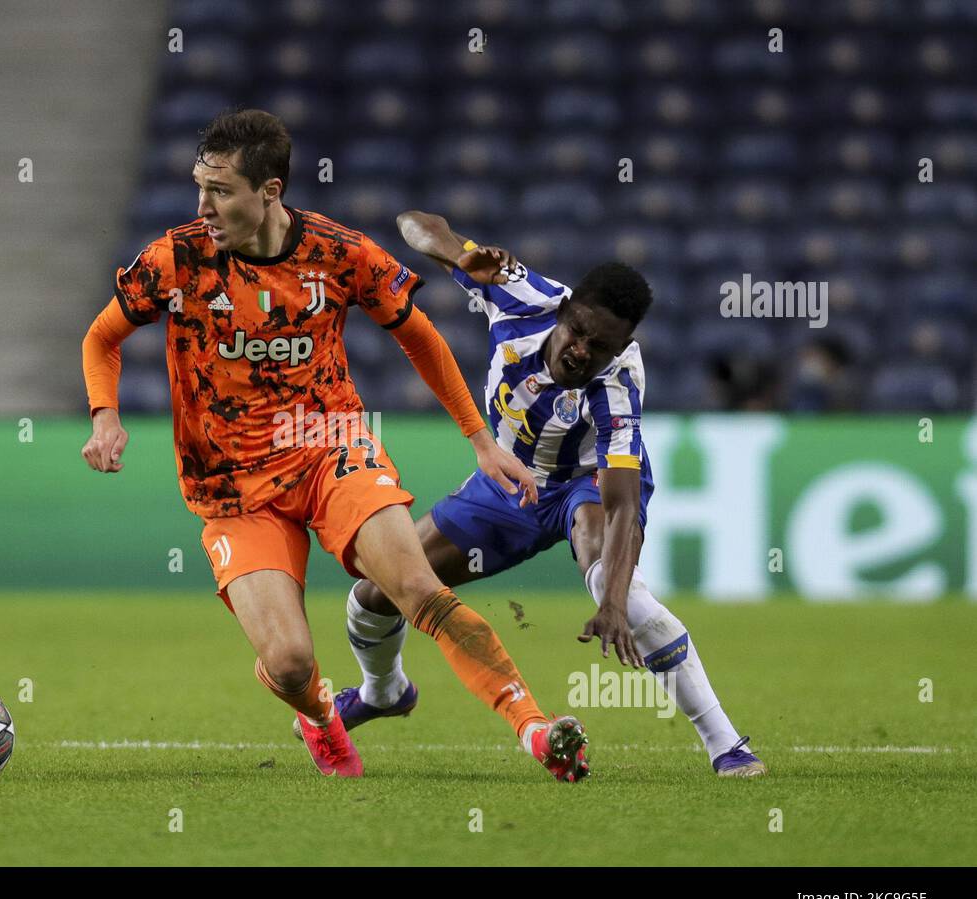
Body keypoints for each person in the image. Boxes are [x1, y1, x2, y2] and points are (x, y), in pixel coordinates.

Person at [81, 111, 589, 781]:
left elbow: (420, 336)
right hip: (232, 488)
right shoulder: (174, 261)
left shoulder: (339, 253)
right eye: (199, 187)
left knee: (414, 584)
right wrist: (104, 417)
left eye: (221, 191)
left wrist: (480, 440)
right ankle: (320, 714)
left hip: (330, 448)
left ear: (270, 191)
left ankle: (536, 730)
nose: (202, 206)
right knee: (288, 663)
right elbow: (101, 338)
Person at [322, 209, 767, 778]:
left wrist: (609, 603)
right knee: (376, 590)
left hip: (583, 485)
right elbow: (418, 224)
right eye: (577, 330)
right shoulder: (518, 294)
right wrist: (460, 254)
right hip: (507, 482)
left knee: (621, 589)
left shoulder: (617, 385)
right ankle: (384, 691)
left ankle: (725, 744)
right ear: (562, 311)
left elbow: (623, 504)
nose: (582, 349)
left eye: (600, 345)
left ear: (621, 347)